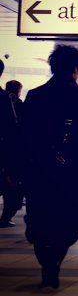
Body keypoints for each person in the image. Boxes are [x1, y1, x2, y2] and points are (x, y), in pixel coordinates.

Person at [22, 45, 78, 288]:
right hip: (74, 172)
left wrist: (17, 170)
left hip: (39, 170)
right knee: (72, 216)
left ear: (52, 67)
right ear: (75, 69)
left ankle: (46, 258)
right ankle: (54, 258)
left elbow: (23, 136)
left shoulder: (35, 96)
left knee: (40, 215)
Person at [0, 61, 19, 228]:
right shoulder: (3, 98)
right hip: (3, 150)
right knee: (9, 188)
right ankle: (5, 217)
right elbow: (11, 128)